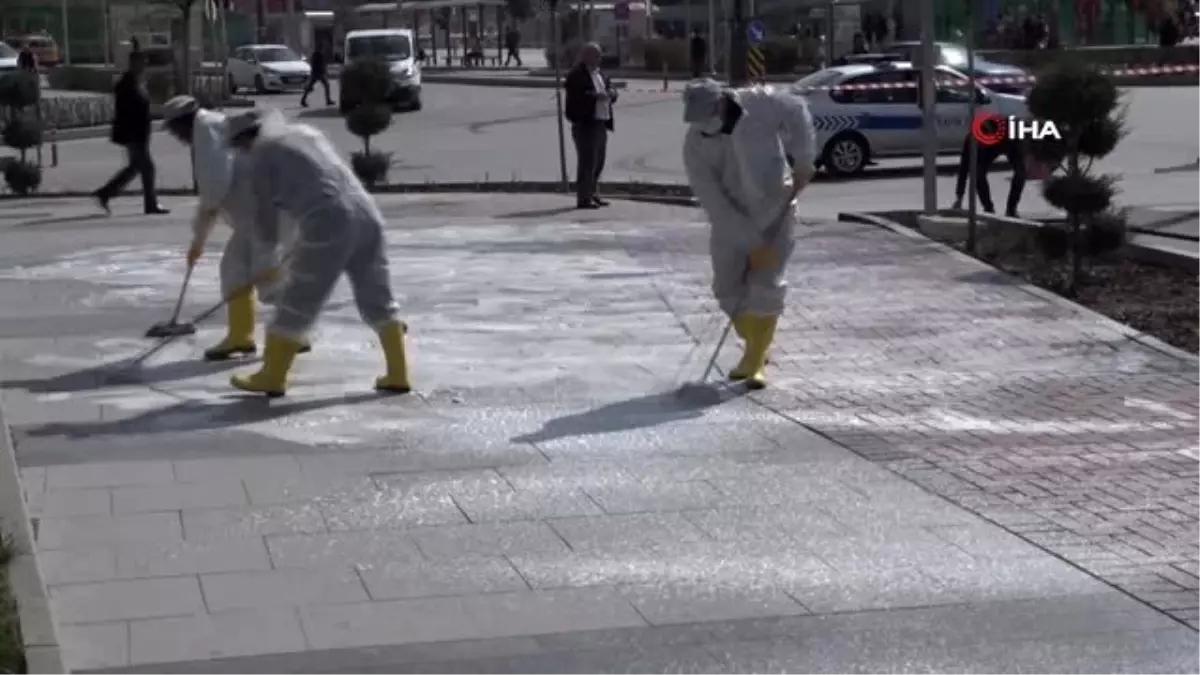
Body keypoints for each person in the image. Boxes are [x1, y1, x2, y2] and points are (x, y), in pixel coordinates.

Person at [223, 109, 410, 397]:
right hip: (368, 214)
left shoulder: (260, 158)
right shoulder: (306, 134)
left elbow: (265, 219)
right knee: (377, 294)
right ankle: (398, 372)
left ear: (243, 140)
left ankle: (272, 375)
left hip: (327, 221)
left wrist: (266, 261)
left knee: (299, 298)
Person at [681, 79, 816, 390]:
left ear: (720, 104)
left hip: (775, 206)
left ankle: (754, 360)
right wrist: (752, 242)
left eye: (708, 117)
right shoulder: (695, 144)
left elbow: (797, 109)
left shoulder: (759, 103)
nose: (705, 126)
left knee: (765, 284)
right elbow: (713, 202)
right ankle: (756, 339)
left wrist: (804, 159)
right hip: (732, 219)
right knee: (726, 285)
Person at [160, 96, 312, 362]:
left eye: (174, 130)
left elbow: (213, 188)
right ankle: (241, 336)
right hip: (256, 214)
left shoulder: (207, 132)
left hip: (267, 214)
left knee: (268, 279)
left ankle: (295, 333)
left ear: (181, 123)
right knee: (235, 271)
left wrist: (200, 236)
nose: (175, 136)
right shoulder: (211, 126)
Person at [93, 51, 168, 215]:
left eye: (145, 63)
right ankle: (150, 204)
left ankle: (105, 193)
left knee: (135, 167)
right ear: (133, 63)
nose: (144, 66)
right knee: (147, 168)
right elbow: (126, 112)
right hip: (133, 134)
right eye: (142, 63)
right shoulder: (126, 84)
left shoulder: (137, 82)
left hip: (139, 133)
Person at [564, 43, 617, 210]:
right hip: (585, 123)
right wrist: (595, 96)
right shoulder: (576, 75)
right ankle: (583, 198)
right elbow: (577, 96)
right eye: (596, 55)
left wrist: (612, 94)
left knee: (598, 161)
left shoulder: (600, 73)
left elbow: (610, 89)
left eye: (600, 55)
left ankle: (593, 193)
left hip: (601, 122)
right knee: (587, 162)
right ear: (585, 56)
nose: (599, 59)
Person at [950, 132, 1027, 218]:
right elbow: (964, 168)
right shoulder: (971, 140)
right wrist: (959, 197)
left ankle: (1011, 209)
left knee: (1021, 172)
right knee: (978, 173)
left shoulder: (1009, 134)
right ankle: (988, 208)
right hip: (987, 148)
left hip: (1007, 141)